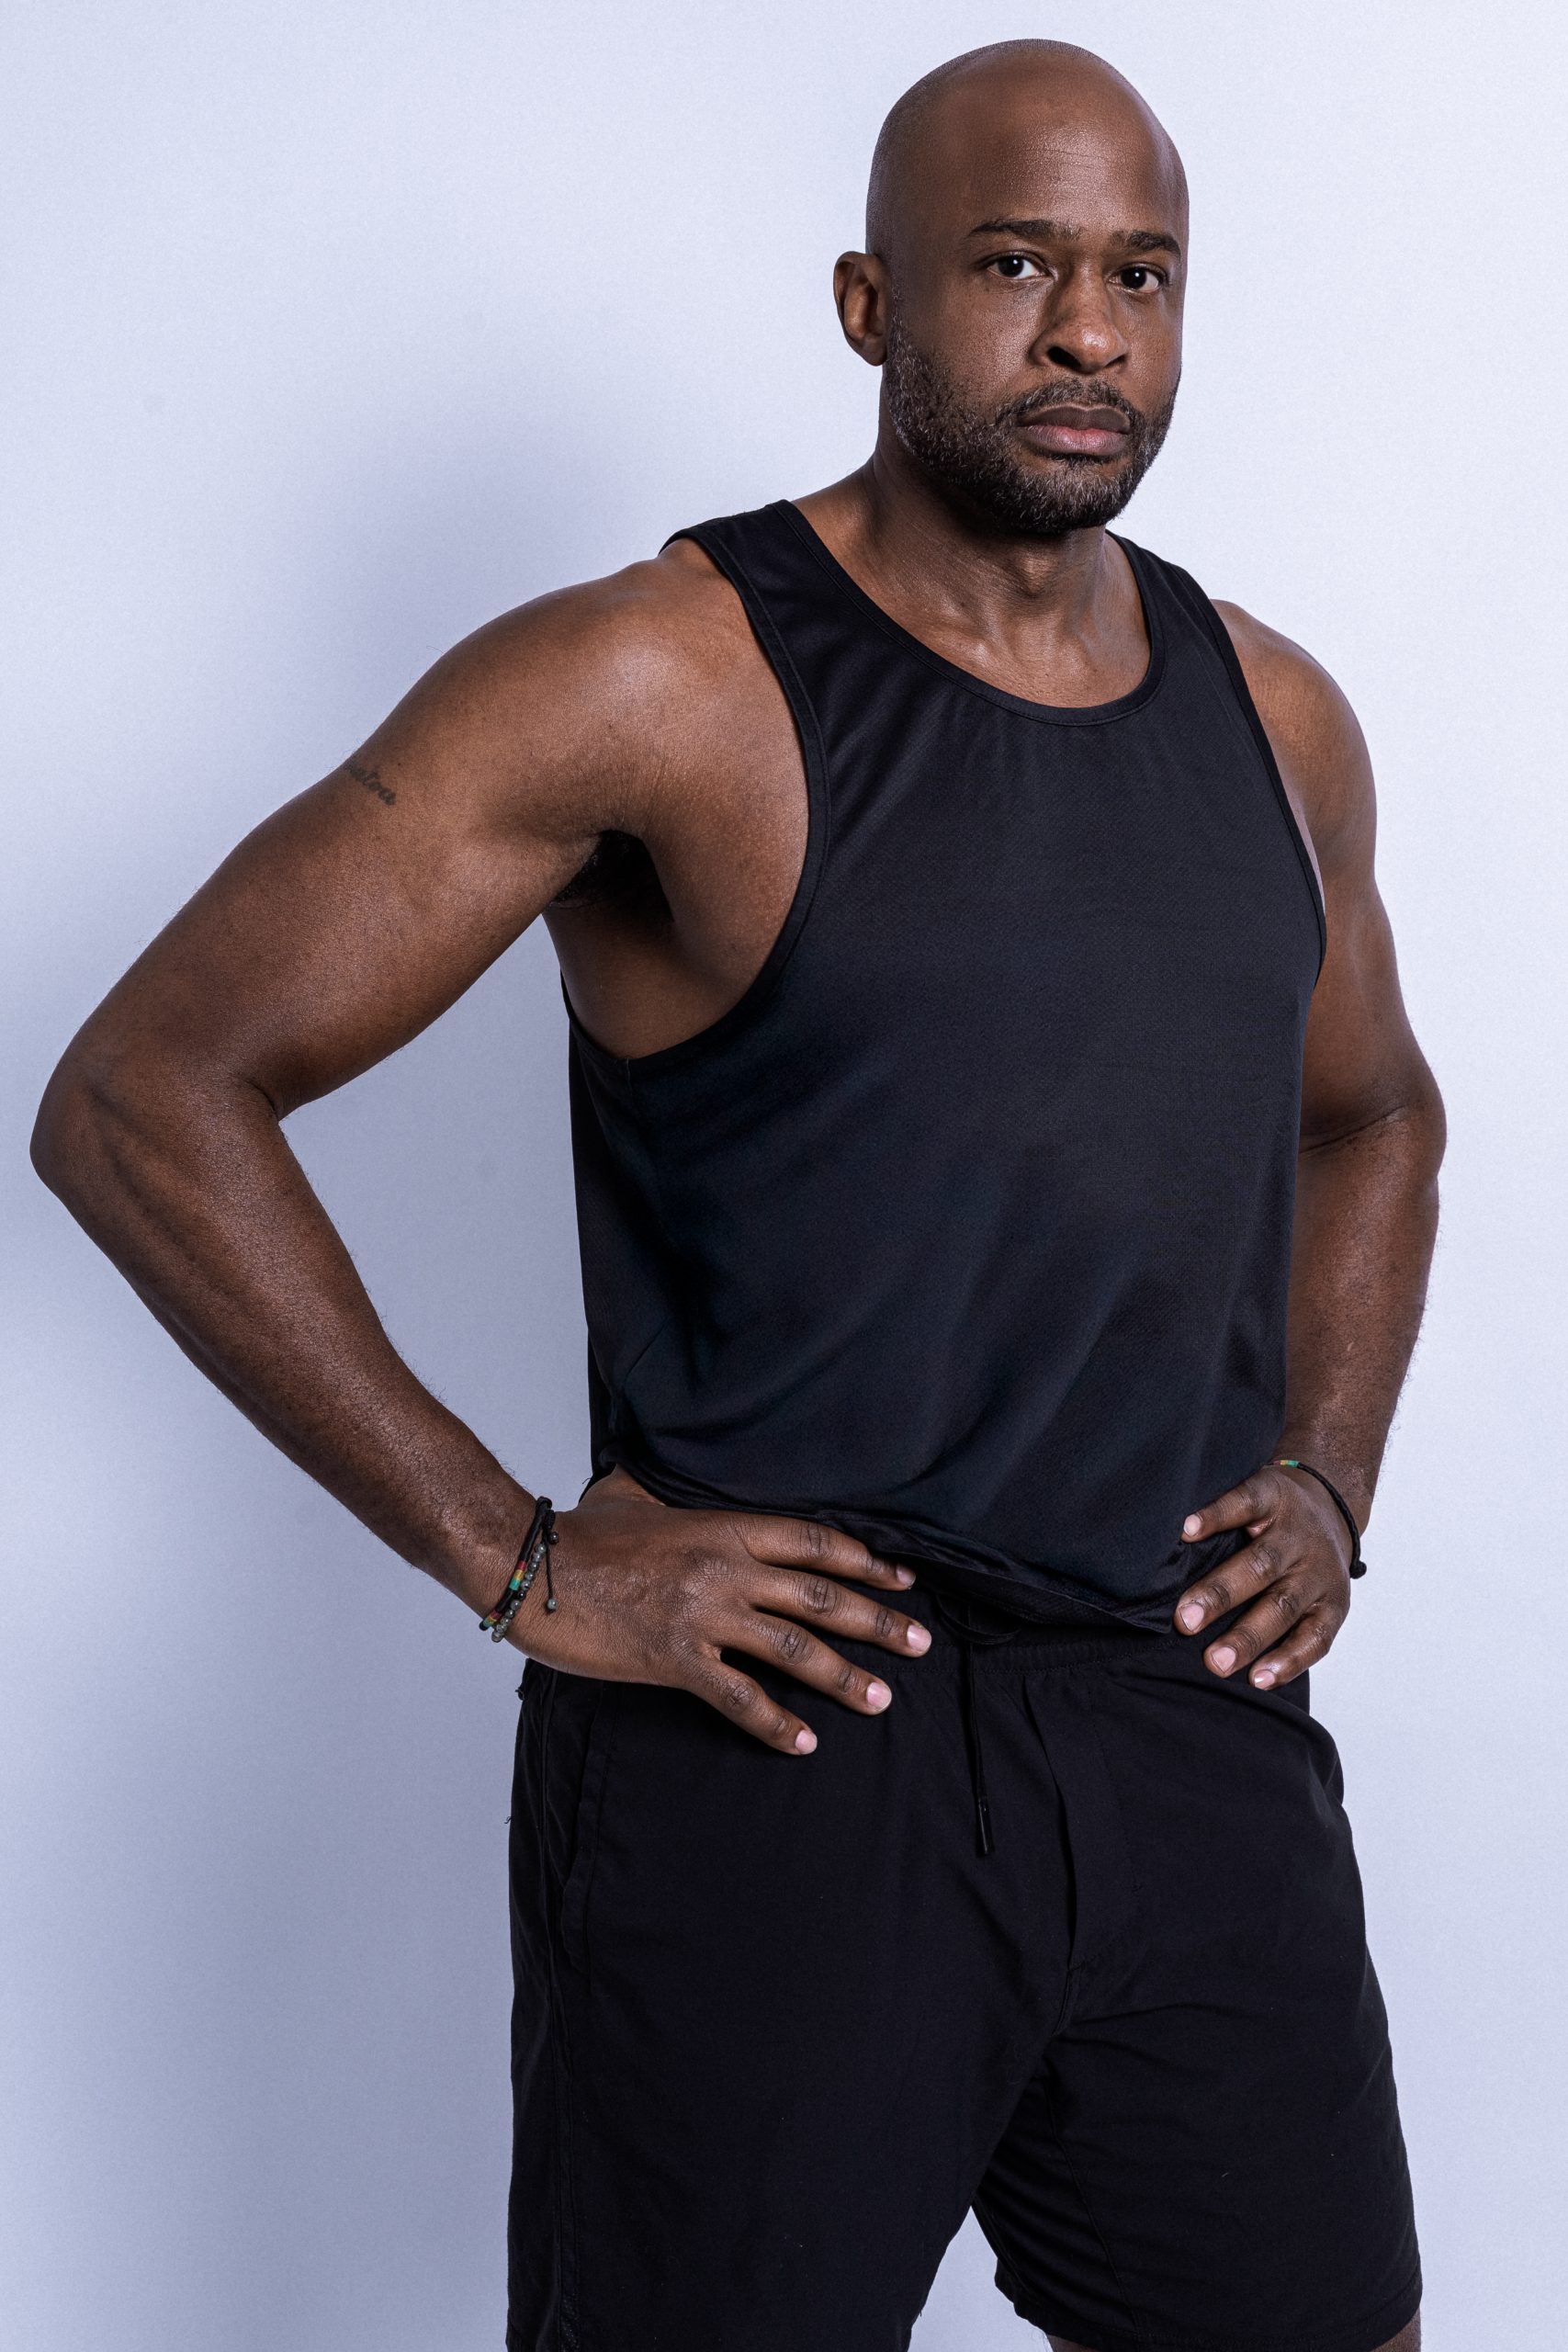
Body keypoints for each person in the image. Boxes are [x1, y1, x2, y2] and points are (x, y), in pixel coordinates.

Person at [32, 36, 1443, 2352]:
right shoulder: (653, 679)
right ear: (868, 303)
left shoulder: (1272, 718)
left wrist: (1327, 1468)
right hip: (783, 1738)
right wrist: (511, 1549)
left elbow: (1370, 1114)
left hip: (1181, 1722)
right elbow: (141, 1093)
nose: (1086, 332)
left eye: (1139, 275)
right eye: (1013, 264)